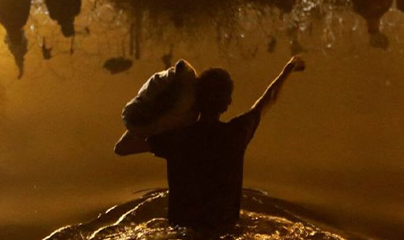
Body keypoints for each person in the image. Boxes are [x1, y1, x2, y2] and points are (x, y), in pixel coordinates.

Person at [114, 56, 305, 230]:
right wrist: (287, 69)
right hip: (225, 230)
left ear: (195, 101)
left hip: (183, 231)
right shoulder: (237, 134)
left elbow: (122, 148)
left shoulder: (176, 139)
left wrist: (160, 119)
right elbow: (268, 99)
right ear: (228, 102)